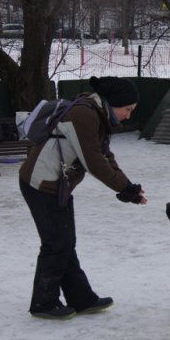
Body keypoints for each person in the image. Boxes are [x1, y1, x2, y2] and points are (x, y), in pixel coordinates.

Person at [19, 76, 148, 320]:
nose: (128, 115)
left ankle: (81, 298)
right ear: (113, 102)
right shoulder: (84, 115)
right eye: (127, 109)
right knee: (57, 244)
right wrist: (125, 189)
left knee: (65, 242)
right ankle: (43, 303)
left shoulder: (97, 115)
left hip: (58, 184)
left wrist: (129, 188)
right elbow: (94, 162)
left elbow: (105, 156)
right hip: (41, 184)